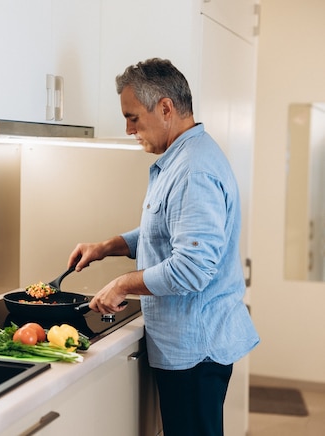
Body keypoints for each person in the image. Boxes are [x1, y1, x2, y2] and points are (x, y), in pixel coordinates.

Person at [67, 58, 259, 436]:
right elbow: (167, 232)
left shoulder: (193, 171)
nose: (127, 129)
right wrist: (107, 246)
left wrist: (122, 284)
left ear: (166, 108)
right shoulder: (183, 160)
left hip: (195, 350)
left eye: (133, 117)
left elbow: (190, 267)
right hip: (190, 345)